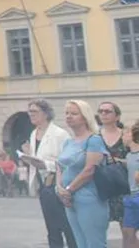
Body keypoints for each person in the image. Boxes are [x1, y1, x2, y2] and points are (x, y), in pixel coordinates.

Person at [56, 99, 110, 248]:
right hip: (69, 199)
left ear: (85, 117)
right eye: (67, 113)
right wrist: (59, 188)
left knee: (94, 243)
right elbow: (59, 166)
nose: (69, 116)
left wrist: (69, 190)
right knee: (80, 243)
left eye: (74, 113)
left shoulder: (94, 140)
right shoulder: (68, 142)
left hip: (89, 197)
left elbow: (90, 170)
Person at [24, 98, 76, 248]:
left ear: (46, 113)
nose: (31, 114)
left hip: (58, 183)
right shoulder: (34, 133)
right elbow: (37, 157)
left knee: (66, 226)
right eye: (30, 111)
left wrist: (44, 164)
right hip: (43, 185)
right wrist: (28, 156)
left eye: (34, 111)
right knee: (52, 227)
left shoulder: (60, 134)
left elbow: (67, 162)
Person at [99, 101, 128, 227]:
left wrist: (119, 161)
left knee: (127, 229)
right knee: (100, 226)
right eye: (101, 111)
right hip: (102, 186)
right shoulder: (95, 136)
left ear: (117, 116)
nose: (103, 114)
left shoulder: (127, 136)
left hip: (124, 186)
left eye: (108, 111)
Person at [122, 122, 139, 248]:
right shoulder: (129, 155)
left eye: (124, 134)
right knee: (128, 233)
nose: (122, 138)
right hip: (130, 197)